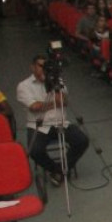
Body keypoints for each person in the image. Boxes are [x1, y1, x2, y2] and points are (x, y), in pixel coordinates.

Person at [16, 56, 90, 186]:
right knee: (35, 150)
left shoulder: (57, 81)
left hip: (60, 122)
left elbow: (64, 101)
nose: (44, 69)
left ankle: (61, 171)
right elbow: (34, 107)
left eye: (47, 66)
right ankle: (57, 170)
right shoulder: (24, 86)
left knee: (82, 140)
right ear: (32, 67)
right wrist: (53, 102)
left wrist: (51, 85)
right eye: (40, 66)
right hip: (38, 125)